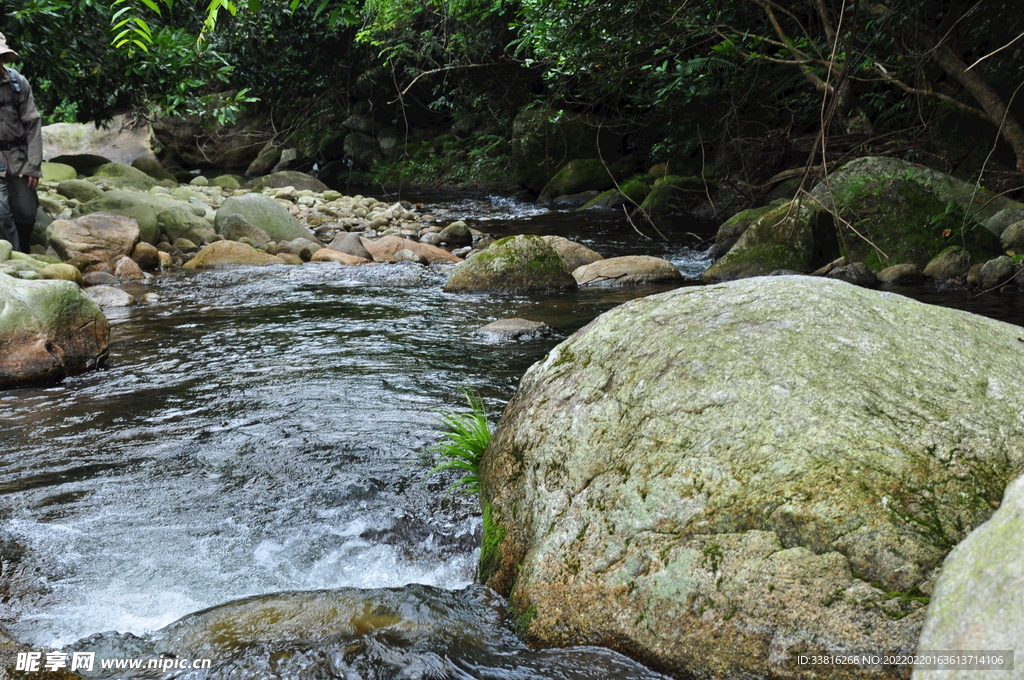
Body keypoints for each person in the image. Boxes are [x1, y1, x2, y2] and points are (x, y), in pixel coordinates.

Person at [0, 32, 41, 254]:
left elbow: (33, 125)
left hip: (18, 158)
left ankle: (25, 254)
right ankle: (12, 263)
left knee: (27, 212)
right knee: (1, 213)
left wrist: (33, 166)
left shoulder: (18, 83)